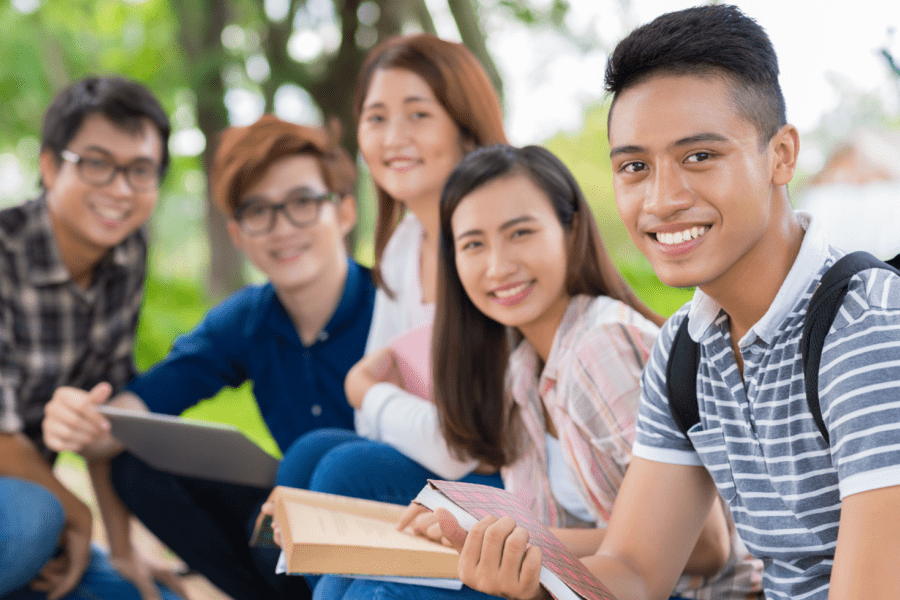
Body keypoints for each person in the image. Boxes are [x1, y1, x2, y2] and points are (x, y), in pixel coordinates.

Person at [432, 5, 900, 600]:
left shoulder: (867, 329)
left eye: (699, 156)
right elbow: (634, 568)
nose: (662, 199)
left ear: (781, 155)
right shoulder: (686, 349)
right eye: (634, 167)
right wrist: (533, 577)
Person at [325, 144, 764, 600]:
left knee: (379, 594)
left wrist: (508, 537)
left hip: (689, 593)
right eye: (473, 244)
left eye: (520, 233)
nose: (498, 266)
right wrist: (480, 532)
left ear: (569, 231)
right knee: (353, 574)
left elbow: (707, 546)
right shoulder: (523, 368)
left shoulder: (602, 345)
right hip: (583, 583)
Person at [42, 114, 375, 600]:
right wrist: (85, 423)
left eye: (302, 202)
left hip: (397, 517)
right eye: (258, 211)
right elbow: (147, 401)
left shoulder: (393, 304)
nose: (281, 228)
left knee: (283, 528)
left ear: (344, 212)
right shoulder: (246, 321)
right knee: (137, 468)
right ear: (238, 234)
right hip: (296, 522)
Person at [276, 33, 509, 505]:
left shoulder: (497, 246)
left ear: (465, 127)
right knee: (307, 458)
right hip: (445, 462)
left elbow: (467, 447)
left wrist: (366, 389)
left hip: (519, 481)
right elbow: (369, 418)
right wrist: (376, 397)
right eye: (376, 118)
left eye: (419, 115)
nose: (393, 139)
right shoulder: (404, 245)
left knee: (345, 471)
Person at [0, 76, 183, 600]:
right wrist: (76, 514)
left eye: (141, 170)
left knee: (154, 595)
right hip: (27, 505)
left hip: (28, 496)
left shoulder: (125, 256)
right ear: (51, 166)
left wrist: (123, 549)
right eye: (97, 163)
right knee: (36, 521)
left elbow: (102, 418)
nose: (120, 190)